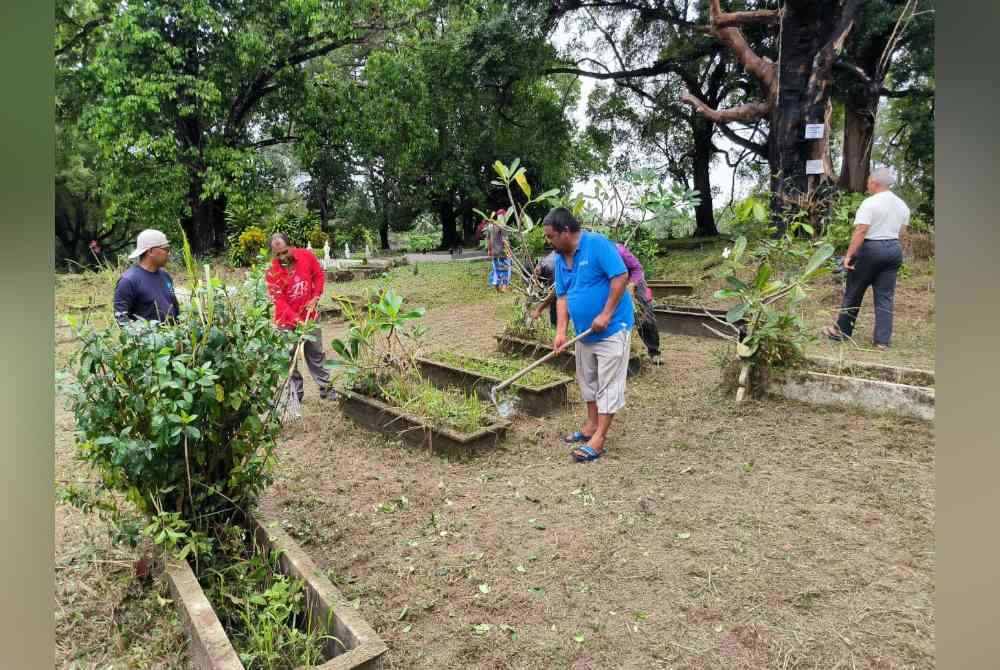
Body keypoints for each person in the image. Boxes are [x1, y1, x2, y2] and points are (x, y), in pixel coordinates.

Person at [543, 207, 634, 462]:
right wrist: (561, 332)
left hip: (613, 329)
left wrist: (605, 314)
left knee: (608, 384)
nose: (549, 242)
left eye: (551, 236)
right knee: (588, 381)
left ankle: (600, 438)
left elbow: (620, 277)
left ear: (566, 231)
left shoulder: (596, 244)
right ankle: (591, 425)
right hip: (583, 334)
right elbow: (562, 296)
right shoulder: (561, 259)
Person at [531, 242, 662, 364]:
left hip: (632, 284)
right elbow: (559, 292)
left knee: (644, 317)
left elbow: (637, 268)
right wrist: (540, 309)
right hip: (609, 287)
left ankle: (654, 351)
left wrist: (632, 285)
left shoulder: (618, 250)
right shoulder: (574, 261)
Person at [823, 167, 910, 350]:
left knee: (854, 290)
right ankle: (882, 341)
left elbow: (861, 230)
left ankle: (841, 331)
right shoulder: (902, 205)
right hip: (894, 249)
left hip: (871, 248)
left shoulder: (870, 203)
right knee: (885, 296)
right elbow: (901, 232)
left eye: (868, 181)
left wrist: (849, 256)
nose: (867, 184)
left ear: (875, 183)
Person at [265, 233, 334, 404]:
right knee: (290, 357)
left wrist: (315, 297)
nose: (282, 257)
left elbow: (318, 275)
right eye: (278, 254)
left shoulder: (306, 256)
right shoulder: (272, 271)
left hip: (310, 315)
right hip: (286, 321)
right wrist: (296, 319)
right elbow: (279, 302)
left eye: (285, 252)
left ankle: (326, 387)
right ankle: (296, 392)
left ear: (291, 246)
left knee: (316, 353)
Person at [113, 229, 181, 325]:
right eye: (166, 249)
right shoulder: (128, 281)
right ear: (151, 251)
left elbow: (175, 307)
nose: (169, 253)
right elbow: (121, 318)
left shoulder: (165, 276)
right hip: (149, 339)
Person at [486, 209, 512, 292]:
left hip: (494, 252)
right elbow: (505, 240)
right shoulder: (502, 226)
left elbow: (488, 239)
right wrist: (508, 251)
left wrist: (489, 250)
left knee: (496, 269)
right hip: (502, 252)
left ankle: (496, 284)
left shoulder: (490, 226)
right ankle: (504, 287)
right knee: (506, 269)